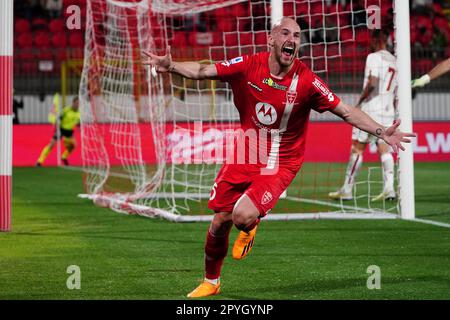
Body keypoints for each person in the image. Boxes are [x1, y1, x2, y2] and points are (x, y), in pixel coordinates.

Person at [143, 17, 414, 298]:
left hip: (281, 161)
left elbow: (346, 110)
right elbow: (203, 71)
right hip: (247, 150)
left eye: (297, 36)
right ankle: (211, 282)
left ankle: (251, 222)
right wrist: (171, 66)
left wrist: (382, 131)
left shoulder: (307, 80)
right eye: (285, 33)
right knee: (219, 221)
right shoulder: (248, 65)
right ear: (271, 40)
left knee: (241, 215)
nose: (292, 39)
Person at [329, 30, 398, 202]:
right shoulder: (395, 61)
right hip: (388, 110)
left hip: (370, 109)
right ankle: (389, 189)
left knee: (357, 148)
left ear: (376, 40)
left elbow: (372, 83)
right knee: (385, 149)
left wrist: (359, 102)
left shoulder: (373, 57)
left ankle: (347, 189)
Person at [36, 95, 80, 166]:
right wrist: (56, 128)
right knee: (51, 145)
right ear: (73, 103)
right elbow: (58, 119)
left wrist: (79, 128)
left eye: (79, 104)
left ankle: (64, 157)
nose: (78, 105)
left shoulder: (79, 112)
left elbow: (78, 122)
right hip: (61, 130)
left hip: (69, 132)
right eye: (77, 103)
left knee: (73, 145)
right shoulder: (66, 110)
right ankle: (39, 161)